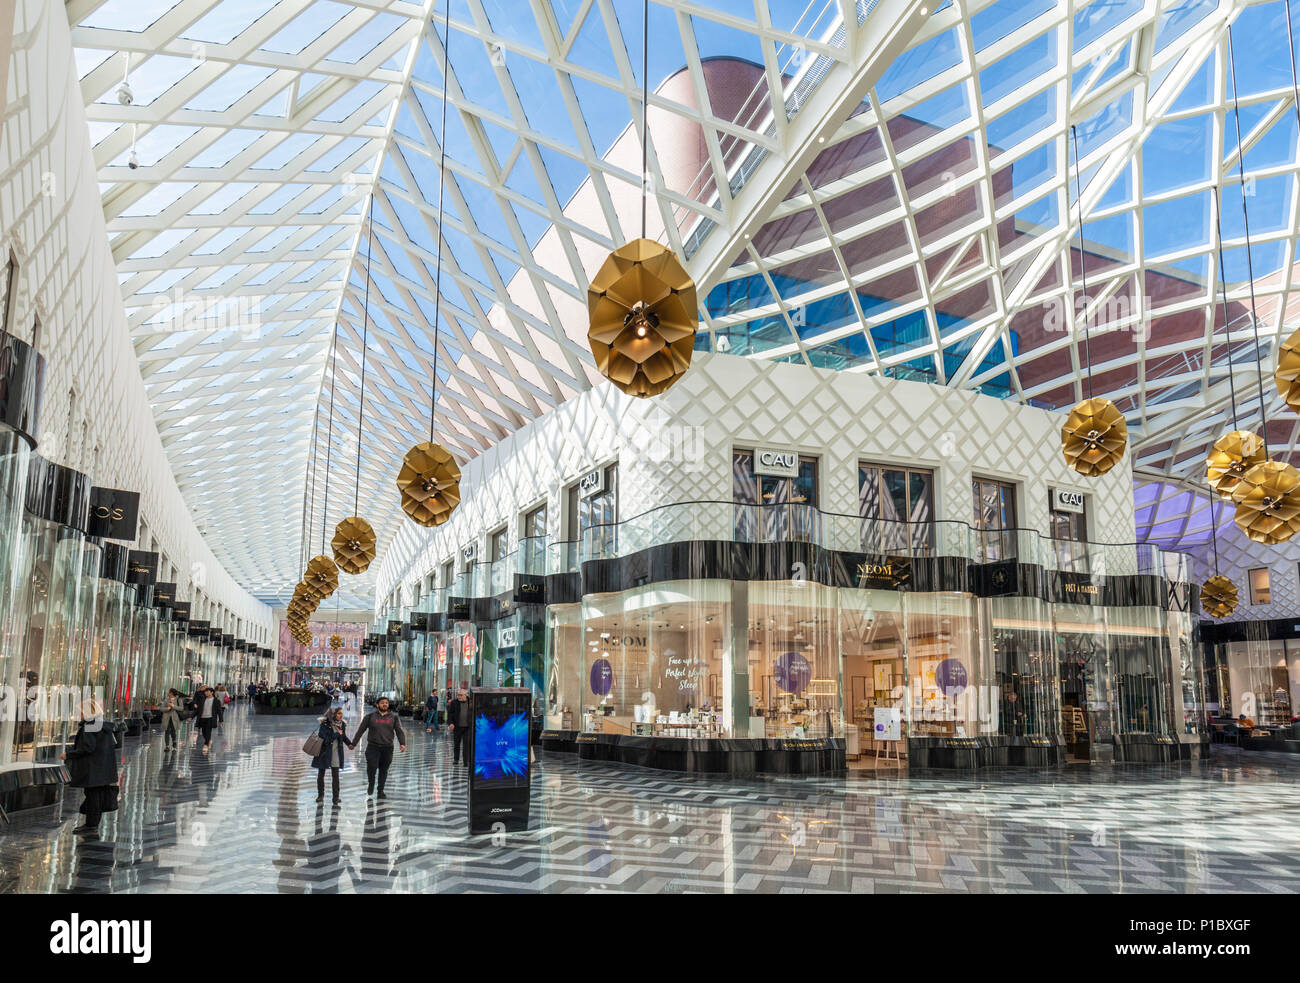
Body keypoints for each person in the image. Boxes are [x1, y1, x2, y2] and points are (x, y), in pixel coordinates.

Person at [63, 703, 122, 837]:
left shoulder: (89, 727)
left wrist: (69, 754)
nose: (80, 715)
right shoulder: (102, 725)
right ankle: (92, 824)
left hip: (92, 769)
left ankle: (91, 826)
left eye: (81, 712)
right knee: (96, 796)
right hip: (102, 768)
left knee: (93, 797)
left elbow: (87, 748)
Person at [350, 697, 406, 799]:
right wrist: (353, 743)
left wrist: (402, 743)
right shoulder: (370, 717)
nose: (385, 704)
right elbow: (360, 731)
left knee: (384, 770)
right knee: (371, 767)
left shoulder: (393, 717)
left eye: (386, 703)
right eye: (382, 703)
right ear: (377, 705)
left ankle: (380, 791)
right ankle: (371, 783)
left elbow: (399, 731)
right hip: (373, 747)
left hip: (387, 748)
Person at [312, 706, 353, 806]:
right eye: (339, 713)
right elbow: (324, 740)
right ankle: (320, 795)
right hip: (324, 753)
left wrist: (349, 744)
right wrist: (336, 734)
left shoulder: (342, 724)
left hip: (336, 753)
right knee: (321, 775)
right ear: (333, 714)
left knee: (336, 776)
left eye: (341, 713)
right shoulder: (324, 724)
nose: (341, 715)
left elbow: (343, 736)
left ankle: (336, 798)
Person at [449, 686, 472, 766]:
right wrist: (451, 723)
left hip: (467, 727)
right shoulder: (454, 702)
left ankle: (466, 761)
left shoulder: (471, 702)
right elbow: (450, 714)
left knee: (466, 745)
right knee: (456, 744)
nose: (459, 696)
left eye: (461, 695)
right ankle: (456, 759)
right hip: (457, 727)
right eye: (458, 695)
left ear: (466, 695)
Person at [193, 686, 219, 753]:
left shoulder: (216, 700)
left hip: (210, 718)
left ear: (212, 692)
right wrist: (191, 716)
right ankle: (208, 740)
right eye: (205, 692)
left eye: (207, 691)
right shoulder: (203, 700)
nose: (206, 693)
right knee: (204, 732)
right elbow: (198, 709)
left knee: (208, 731)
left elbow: (219, 711)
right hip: (202, 718)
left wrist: (221, 720)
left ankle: (206, 744)